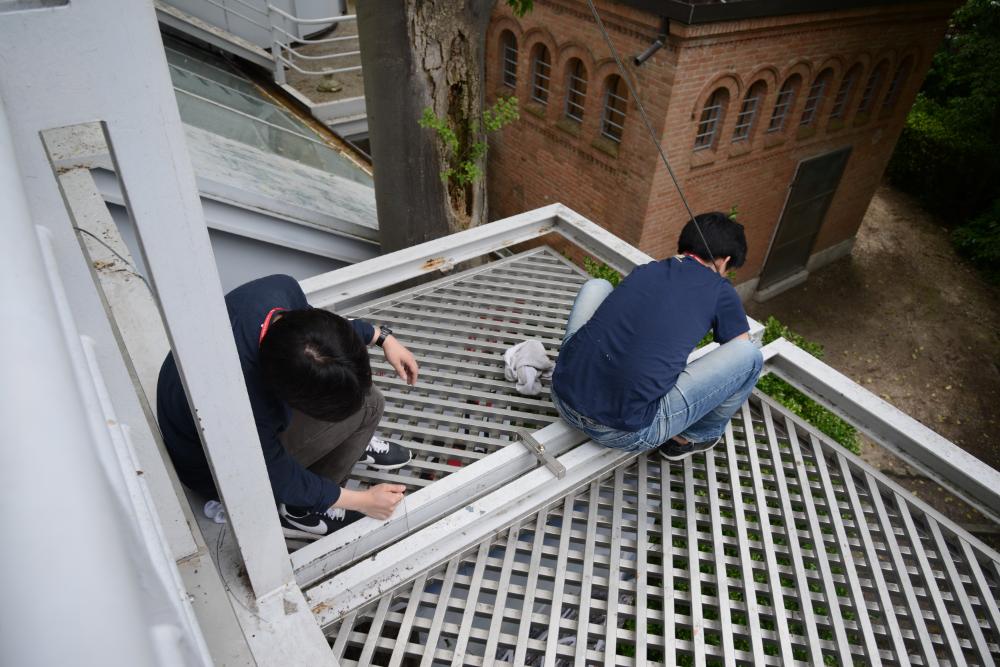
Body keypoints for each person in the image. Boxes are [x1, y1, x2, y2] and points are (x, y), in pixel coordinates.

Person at [156, 274, 419, 541]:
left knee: (364, 400)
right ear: (288, 398)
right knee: (369, 406)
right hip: (215, 471)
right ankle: (300, 512)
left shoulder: (277, 291)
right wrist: (362, 500)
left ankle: (344, 442)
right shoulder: (242, 405)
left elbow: (314, 326)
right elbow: (277, 476)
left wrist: (381, 337)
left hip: (201, 416)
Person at [551, 212, 763, 460]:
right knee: (751, 357)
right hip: (623, 431)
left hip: (562, 396)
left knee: (597, 285)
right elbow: (739, 350)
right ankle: (692, 438)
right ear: (725, 261)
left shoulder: (647, 269)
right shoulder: (720, 290)